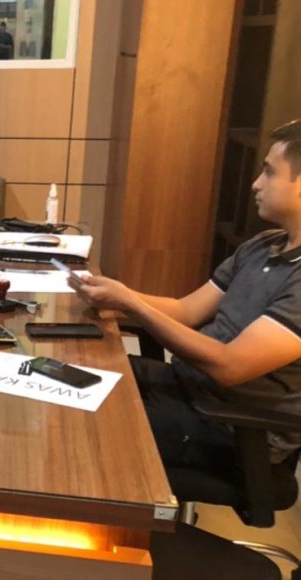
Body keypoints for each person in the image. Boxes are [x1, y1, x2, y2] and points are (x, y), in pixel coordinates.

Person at [68, 119, 301, 478]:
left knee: (78, 428)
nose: (256, 183)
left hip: (233, 428)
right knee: (65, 377)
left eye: (269, 173)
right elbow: (187, 310)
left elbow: (230, 366)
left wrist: (131, 304)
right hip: (186, 386)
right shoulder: (263, 245)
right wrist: (115, 295)